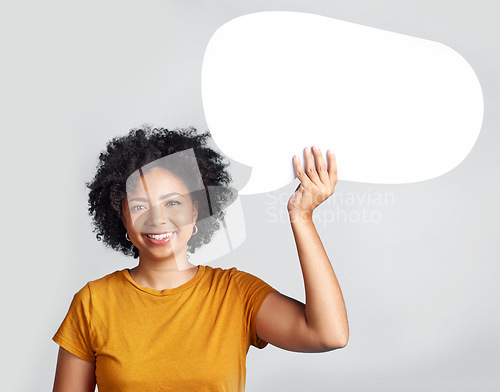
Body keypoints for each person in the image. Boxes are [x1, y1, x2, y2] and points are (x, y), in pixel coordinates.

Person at [52, 125, 349, 392]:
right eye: (141, 206)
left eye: (172, 203)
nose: (158, 219)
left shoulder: (234, 293)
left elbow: (329, 334)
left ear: (195, 211)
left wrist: (302, 216)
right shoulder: (93, 303)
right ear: (123, 220)